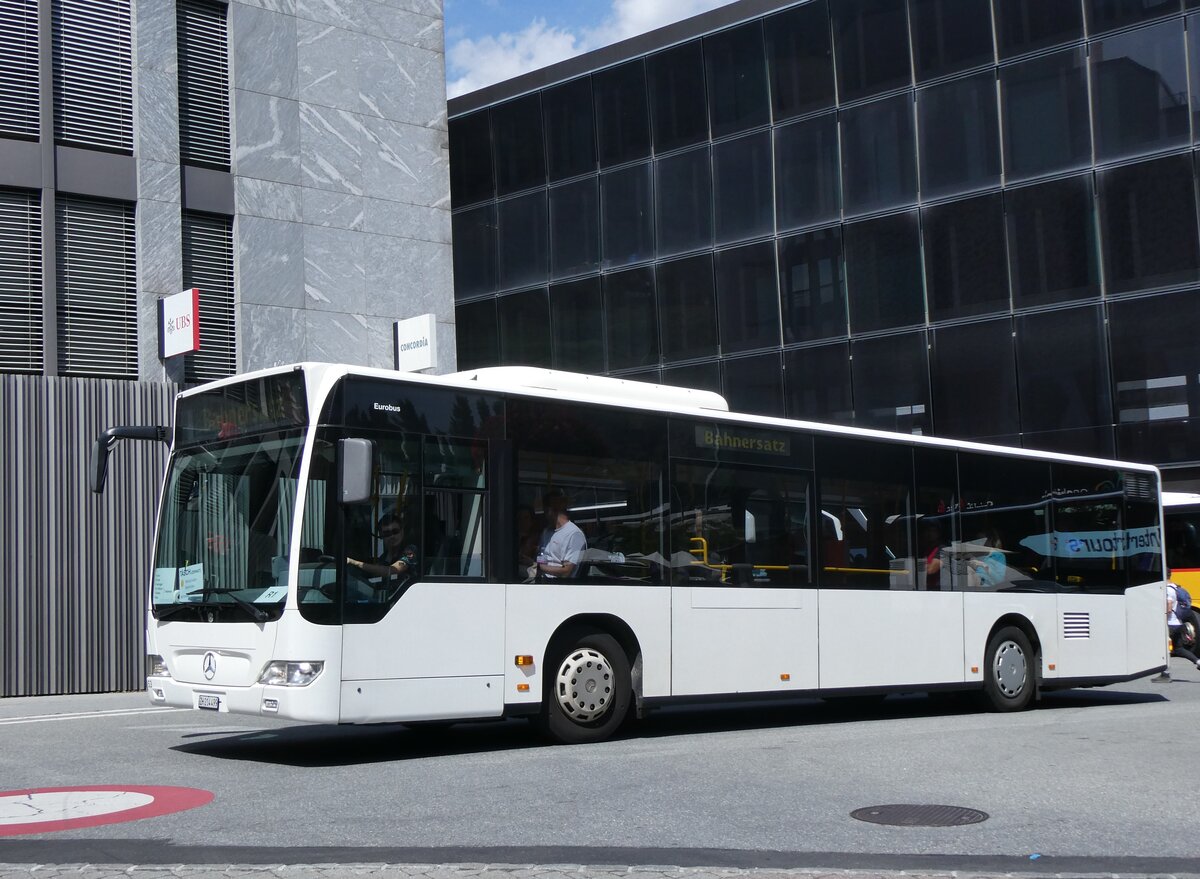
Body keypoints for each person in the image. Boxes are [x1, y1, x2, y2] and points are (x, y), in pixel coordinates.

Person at [347, 513, 419, 588]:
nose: (392, 536)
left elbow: (392, 571)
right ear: (381, 536)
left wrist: (354, 562)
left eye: (395, 531)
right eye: (387, 533)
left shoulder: (411, 550)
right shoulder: (384, 557)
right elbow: (377, 574)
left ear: (402, 531)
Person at [1155, 573, 1200, 681]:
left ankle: (1165, 674)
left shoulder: (1167, 590)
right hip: (1178, 623)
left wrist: (1163, 616)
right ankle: (1198, 662)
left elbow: (1169, 607)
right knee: (1179, 649)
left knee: (1162, 648)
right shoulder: (1176, 587)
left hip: (1171, 624)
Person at [535, 491, 586, 580]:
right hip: (541, 581)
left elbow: (566, 571)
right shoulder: (546, 532)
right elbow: (541, 554)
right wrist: (539, 563)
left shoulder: (574, 534)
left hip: (560, 584)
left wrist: (541, 567)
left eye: (546, 507)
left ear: (552, 509)